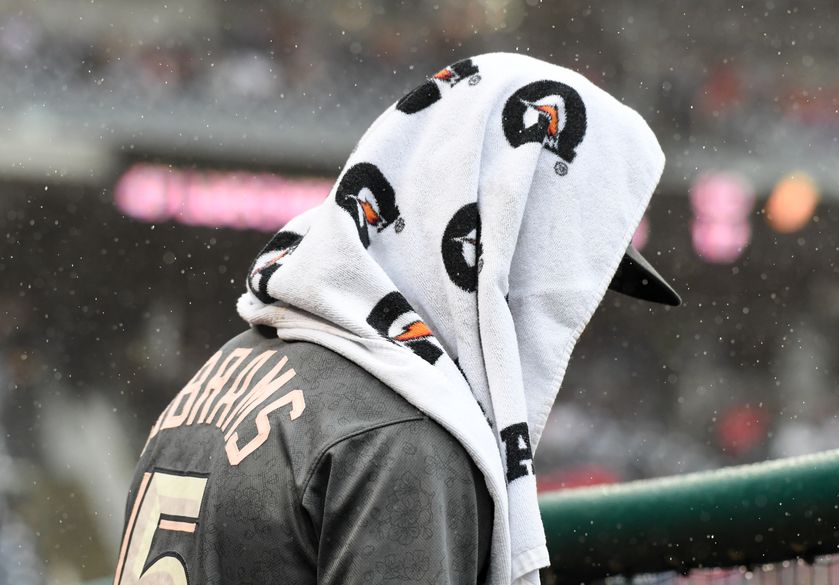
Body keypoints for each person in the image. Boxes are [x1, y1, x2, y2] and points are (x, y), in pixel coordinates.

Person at [114, 52, 680, 585]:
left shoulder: (229, 364)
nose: (573, 326)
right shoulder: (407, 440)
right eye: (563, 283)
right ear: (503, 251)